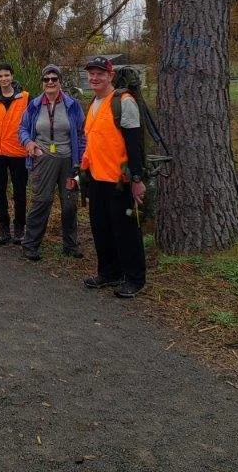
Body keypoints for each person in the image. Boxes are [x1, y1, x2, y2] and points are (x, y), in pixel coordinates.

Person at [79, 56, 147, 299]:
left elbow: (134, 144)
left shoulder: (123, 102)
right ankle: (109, 272)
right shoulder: (94, 104)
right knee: (101, 228)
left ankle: (135, 278)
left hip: (120, 181)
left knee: (126, 231)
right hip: (96, 179)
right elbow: (92, 143)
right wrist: (81, 175)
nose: (94, 78)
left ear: (110, 76)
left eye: (100, 74)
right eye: (91, 74)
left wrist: (137, 179)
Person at [17, 64, 86, 261]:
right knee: (42, 201)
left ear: (60, 81)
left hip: (69, 161)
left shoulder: (73, 106)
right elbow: (22, 128)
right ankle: (30, 245)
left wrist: (80, 160)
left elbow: (82, 134)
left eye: (54, 79)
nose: (50, 82)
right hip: (43, 158)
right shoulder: (35, 105)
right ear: (42, 82)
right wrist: (29, 143)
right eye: (46, 79)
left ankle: (70, 245)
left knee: (69, 204)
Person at [0, 62, 30, 246]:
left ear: (12, 76)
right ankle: (3, 226)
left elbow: (30, 123)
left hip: (18, 150)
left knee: (19, 191)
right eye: (0, 76)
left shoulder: (25, 97)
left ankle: (19, 227)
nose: (4, 79)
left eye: (7, 75)